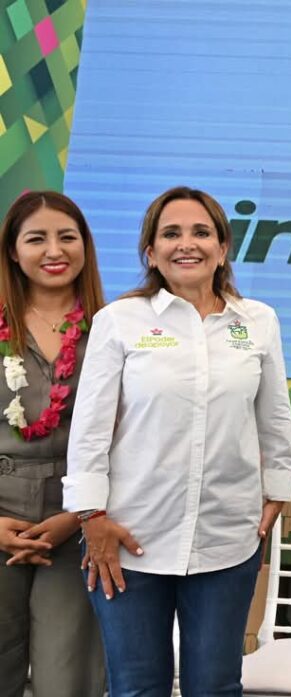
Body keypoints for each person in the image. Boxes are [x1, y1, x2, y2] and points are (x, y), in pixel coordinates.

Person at [63, 186, 291, 697]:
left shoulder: (258, 321)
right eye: (171, 233)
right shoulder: (119, 322)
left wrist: (277, 490)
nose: (186, 244)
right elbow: (89, 431)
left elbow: (275, 418)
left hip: (226, 541)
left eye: (201, 232)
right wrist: (91, 516)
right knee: (136, 688)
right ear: (151, 252)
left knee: (215, 686)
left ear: (223, 248)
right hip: (128, 541)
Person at [0, 191, 105, 697]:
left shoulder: (114, 328)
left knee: (68, 678)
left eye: (67, 237)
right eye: (36, 238)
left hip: (77, 522)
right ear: (13, 250)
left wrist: (79, 515)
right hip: (0, 512)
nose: (54, 251)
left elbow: (129, 434)